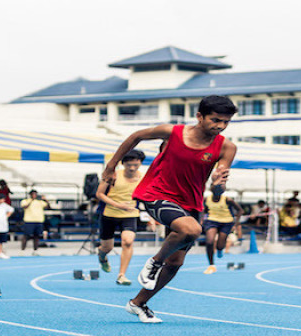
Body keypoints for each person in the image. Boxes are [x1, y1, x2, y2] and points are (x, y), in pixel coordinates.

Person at [101, 95, 238, 323]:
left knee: (175, 262)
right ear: (199, 116)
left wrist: (217, 185)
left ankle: (138, 303)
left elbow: (217, 192)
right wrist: (110, 166)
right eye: (215, 120)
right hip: (156, 193)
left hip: (191, 203)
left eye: (226, 122)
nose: (220, 126)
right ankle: (155, 262)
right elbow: (135, 136)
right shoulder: (172, 132)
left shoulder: (226, 147)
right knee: (191, 230)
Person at [95, 149, 145, 285]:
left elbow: (147, 197)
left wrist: (152, 217)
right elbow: (99, 194)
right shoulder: (113, 175)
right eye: (129, 165)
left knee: (128, 241)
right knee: (107, 247)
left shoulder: (144, 178)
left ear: (141, 163)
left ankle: (121, 275)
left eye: (136, 164)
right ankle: (102, 256)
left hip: (130, 214)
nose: (132, 168)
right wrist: (118, 205)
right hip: (109, 214)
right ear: (123, 164)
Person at [201, 188, 243, 274]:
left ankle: (220, 249)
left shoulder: (228, 200)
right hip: (211, 221)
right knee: (209, 241)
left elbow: (240, 210)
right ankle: (211, 265)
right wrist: (202, 219)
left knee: (220, 245)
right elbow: (203, 209)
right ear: (212, 191)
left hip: (226, 222)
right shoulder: (207, 199)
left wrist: (236, 223)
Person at [20, 189, 50, 255]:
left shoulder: (39, 202)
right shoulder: (25, 201)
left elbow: (48, 206)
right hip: (29, 221)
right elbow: (25, 206)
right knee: (26, 236)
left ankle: (35, 250)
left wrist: (45, 199)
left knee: (37, 236)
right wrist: (31, 200)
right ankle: (22, 250)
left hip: (38, 221)